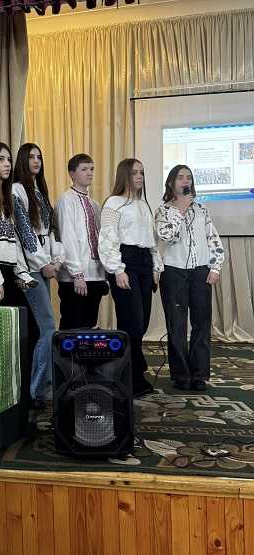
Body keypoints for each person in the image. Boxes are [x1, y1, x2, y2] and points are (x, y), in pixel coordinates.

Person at [156, 164, 224, 391]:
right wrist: (181, 210)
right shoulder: (164, 210)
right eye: (180, 177)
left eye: (189, 178)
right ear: (171, 182)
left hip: (200, 271)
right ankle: (181, 374)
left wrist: (215, 267)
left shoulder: (202, 209)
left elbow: (213, 238)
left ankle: (199, 374)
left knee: (201, 323)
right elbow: (167, 236)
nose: (186, 181)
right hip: (173, 272)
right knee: (176, 325)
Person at [98, 158, 163, 397]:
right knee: (131, 321)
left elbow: (151, 239)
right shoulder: (113, 203)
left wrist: (156, 266)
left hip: (144, 262)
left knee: (142, 322)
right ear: (124, 174)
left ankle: (132, 370)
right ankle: (130, 377)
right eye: (135, 172)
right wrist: (117, 269)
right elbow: (107, 237)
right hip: (125, 262)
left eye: (142, 173)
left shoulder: (143, 204)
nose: (139, 177)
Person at [13, 143, 64, 409]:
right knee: (47, 328)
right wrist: (43, 263)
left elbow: (50, 230)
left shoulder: (39, 191)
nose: (36, 161)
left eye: (39, 157)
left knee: (44, 328)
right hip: (30, 268)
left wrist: (56, 260)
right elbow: (25, 233)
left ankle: (43, 385)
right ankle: (37, 390)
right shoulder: (16, 190)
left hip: (45, 265)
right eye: (31, 157)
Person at [55, 153, 108, 329]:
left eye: (91, 169)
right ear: (72, 173)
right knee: (73, 325)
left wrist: (105, 273)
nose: (89, 173)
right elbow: (67, 237)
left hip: (95, 274)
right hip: (75, 277)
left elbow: (100, 239)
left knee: (89, 325)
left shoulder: (95, 204)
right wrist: (77, 273)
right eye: (84, 169)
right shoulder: (66, 200)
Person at [0, 142, 36, 306]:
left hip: (8, 272)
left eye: (9, 160)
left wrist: (22, 272)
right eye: (1, 159)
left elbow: (14, 240)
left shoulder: (6, 199)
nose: (7, 164)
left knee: (26, 320)